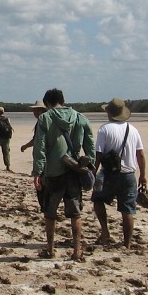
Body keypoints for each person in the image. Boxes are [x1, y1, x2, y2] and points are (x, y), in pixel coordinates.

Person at [31, 88, 95, 262]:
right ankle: (77, 251)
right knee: (75, 213)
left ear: (48, 103)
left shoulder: (45, 118)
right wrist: (91, 166)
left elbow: (40, 147)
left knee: (50, 213)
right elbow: (90, 146)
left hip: (53, 173)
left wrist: (37, 171)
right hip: (74, 172)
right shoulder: (80, 118)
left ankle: (50, 249)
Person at [93, 98, 147, 249]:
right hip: (129, 175)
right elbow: (140, 155)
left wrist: (93, 173)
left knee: (97, 199)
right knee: (127, 210)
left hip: (108, 174)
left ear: (109, 113)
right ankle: (127, 243)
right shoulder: (133, 130)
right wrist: (143, 175)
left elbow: (98, 154)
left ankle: (105, 232)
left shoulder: (104, 129)